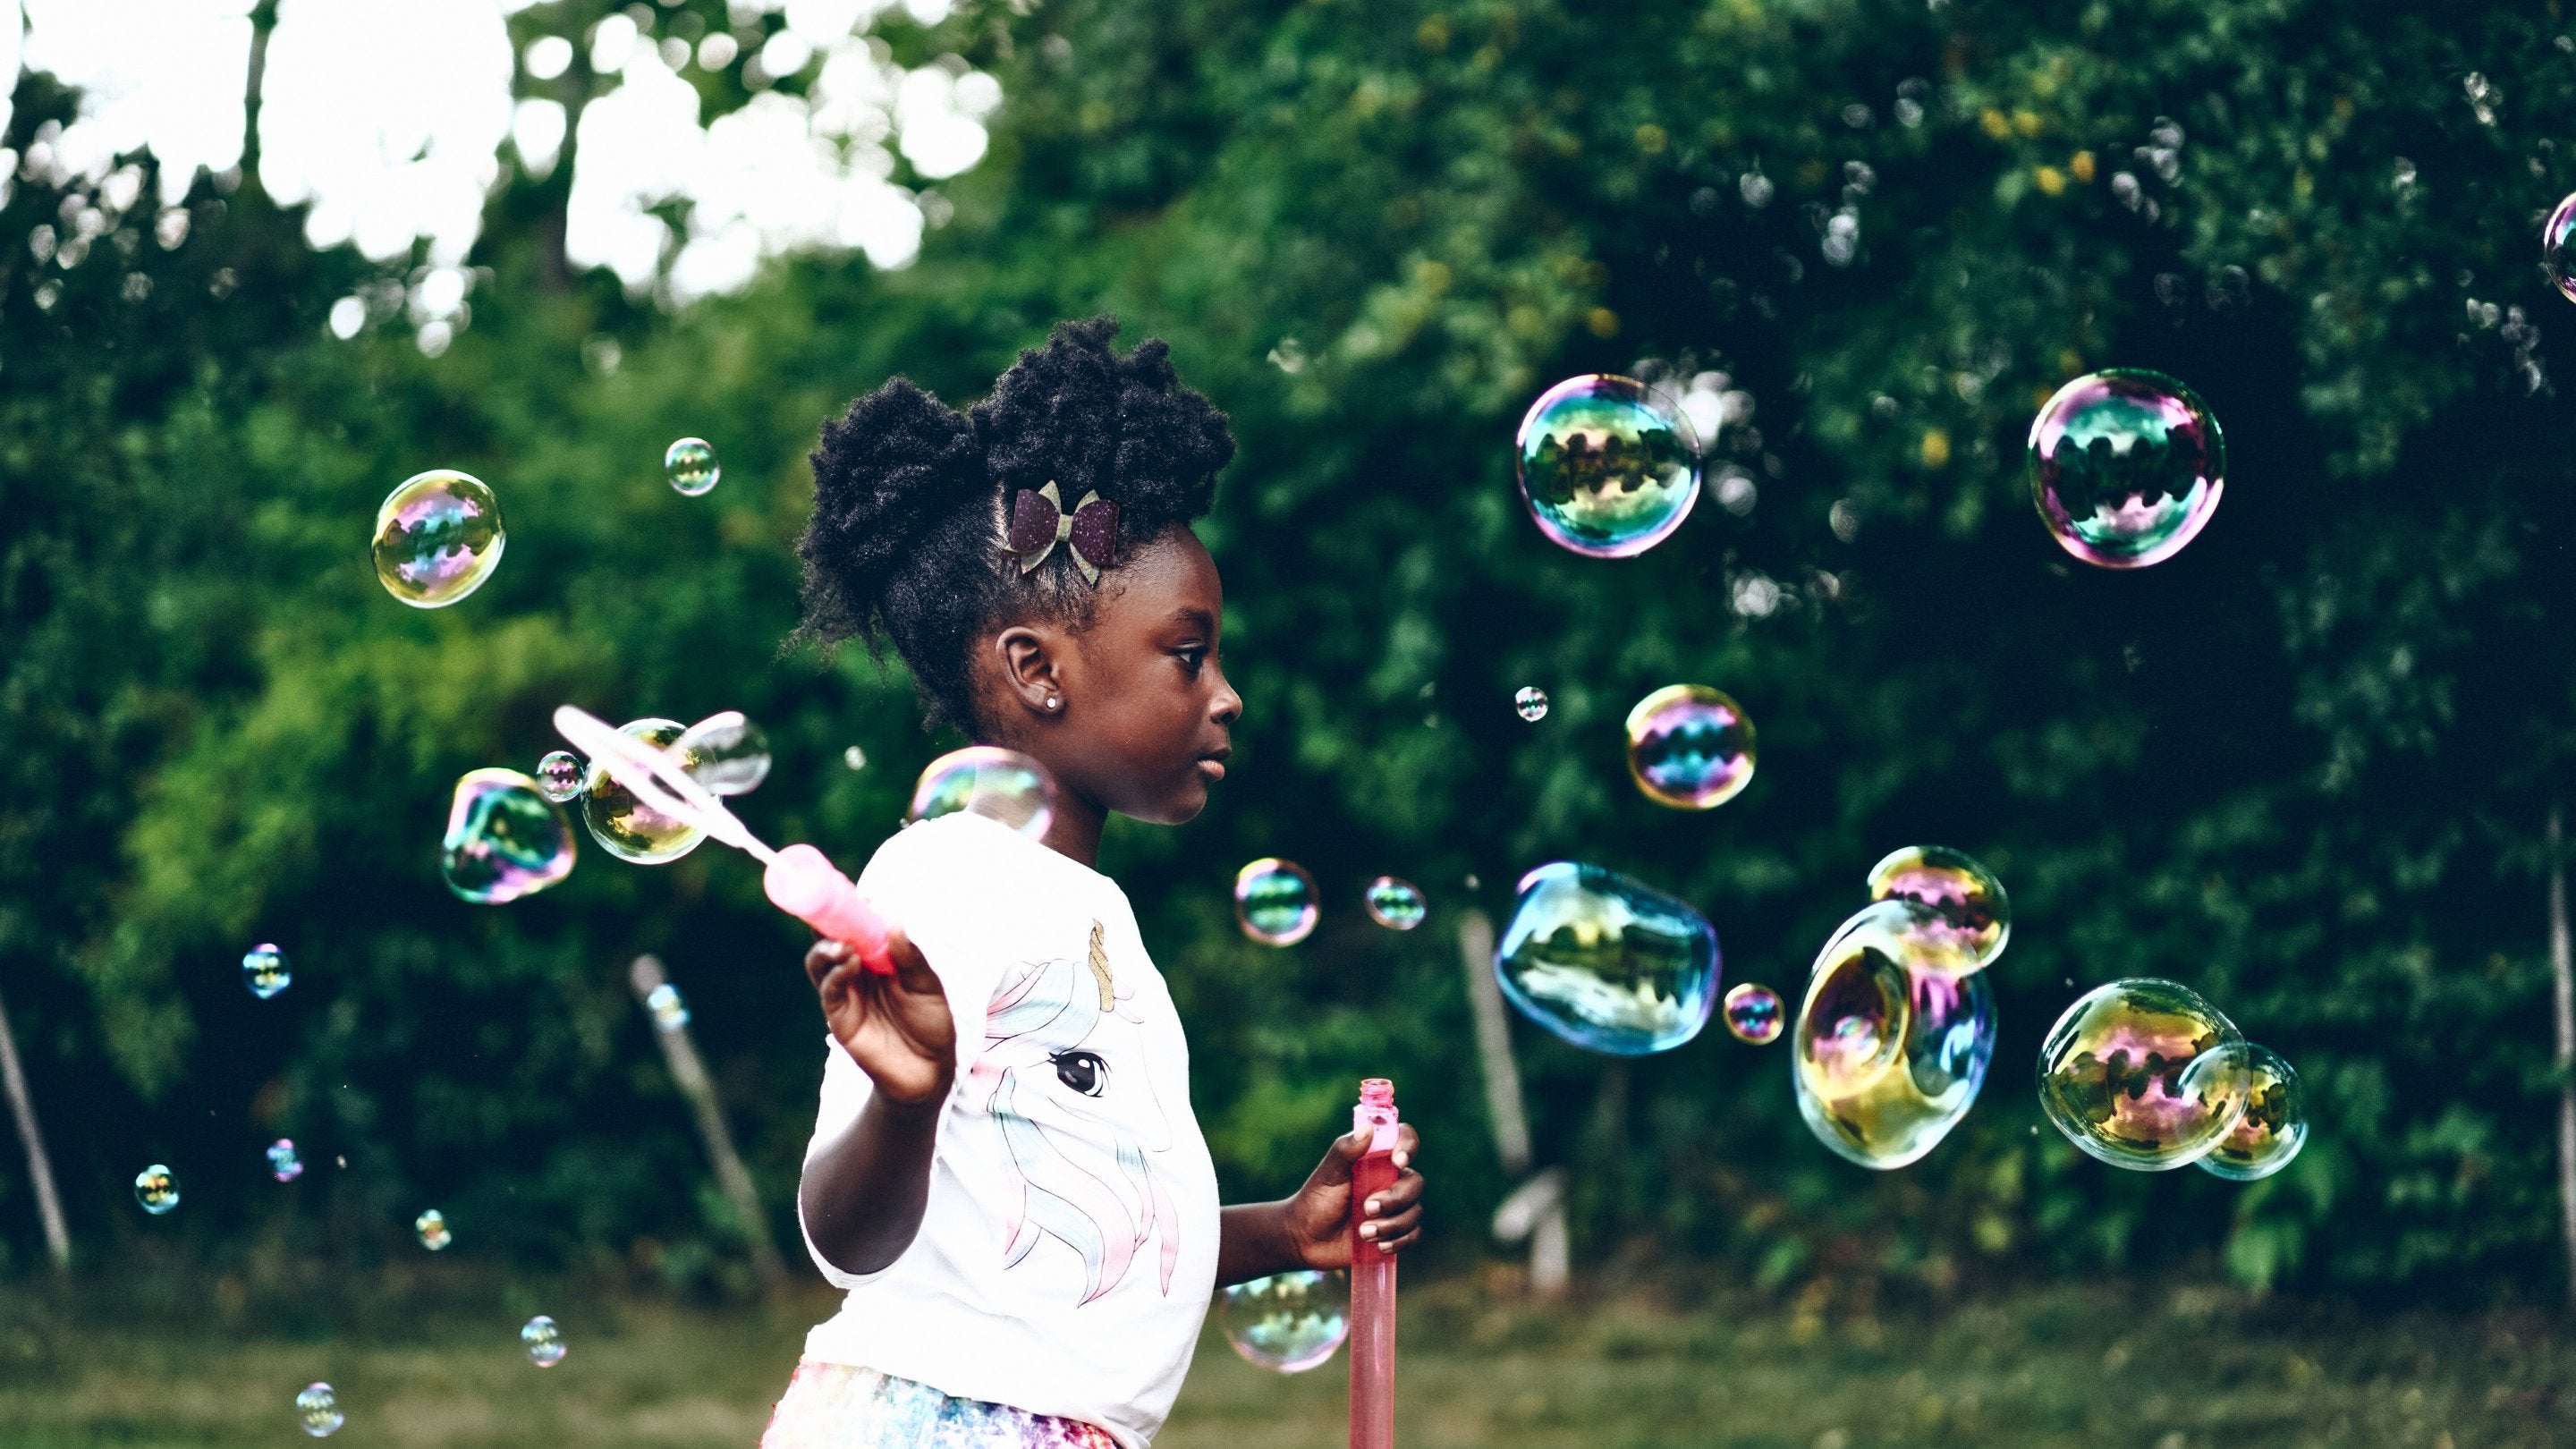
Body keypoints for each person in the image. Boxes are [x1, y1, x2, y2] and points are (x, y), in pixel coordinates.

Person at [763, 317, 1426, 1449]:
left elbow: (1083, 1235)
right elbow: (842, 1239)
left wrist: (1282, 1230)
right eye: (1188, 652)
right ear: (1036, 669)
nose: (1226, 695)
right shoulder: (944, 877)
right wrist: (903, 1101)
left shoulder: (1089, 908)